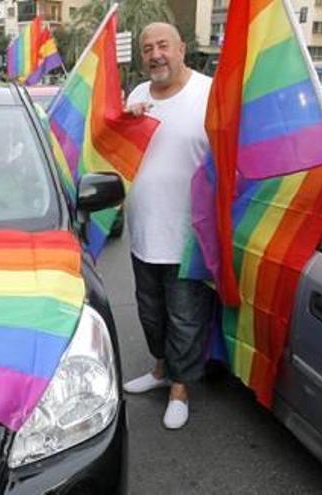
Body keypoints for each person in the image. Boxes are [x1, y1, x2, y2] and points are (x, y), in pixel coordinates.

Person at [121, 22, 215, 430]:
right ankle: (160, 371)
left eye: (163, 46)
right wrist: (124, 121)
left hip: (189, 236)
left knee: (185, 317)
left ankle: (180, 388)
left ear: (182, 49)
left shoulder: (210, 93)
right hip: (142, 232)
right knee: (151, 314)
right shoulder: (138, 94)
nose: (155, 54)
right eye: (147, 49)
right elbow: (120, 152)